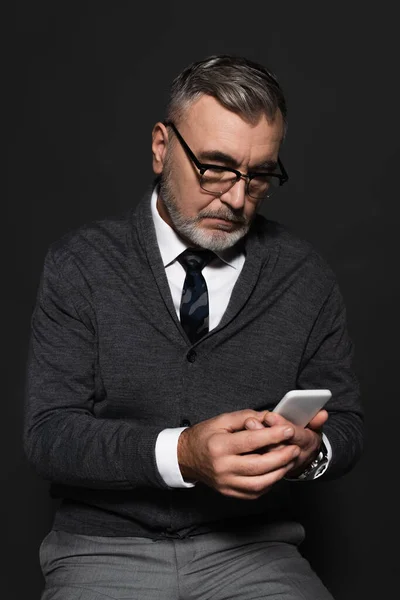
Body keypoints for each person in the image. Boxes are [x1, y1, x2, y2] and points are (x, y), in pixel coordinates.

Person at [24, 54, 364, 600]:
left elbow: (346, 424)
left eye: (258, 176)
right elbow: (48, 436)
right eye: (214, 167)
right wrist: (182, 453)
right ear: (162, 148)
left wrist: (309, 453)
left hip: (256, 553)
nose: (234, 198)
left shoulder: (304, 275)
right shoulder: (82, 265)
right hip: (103, 553)